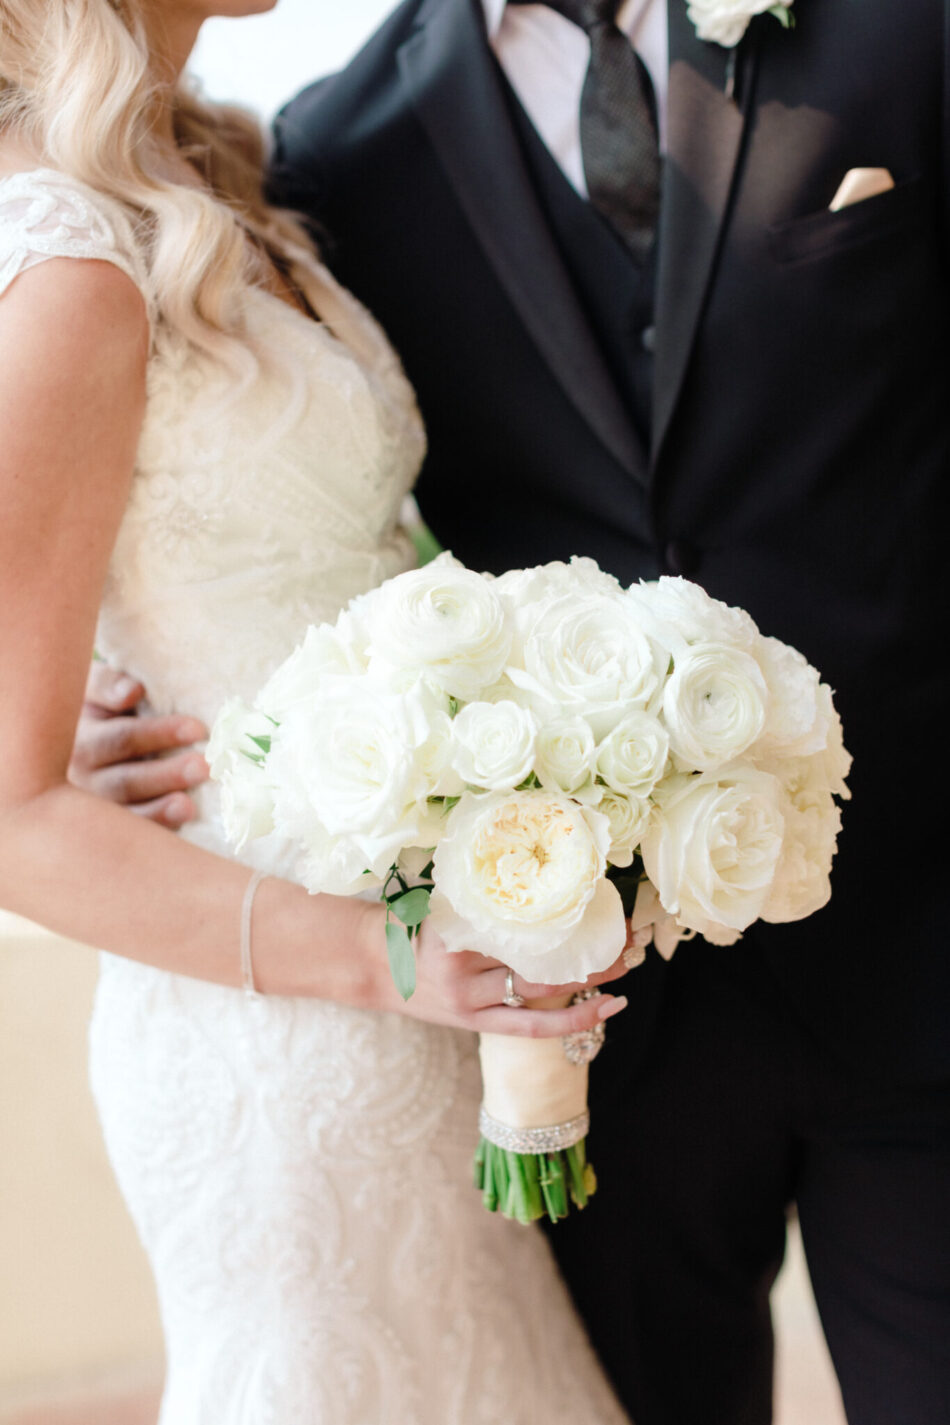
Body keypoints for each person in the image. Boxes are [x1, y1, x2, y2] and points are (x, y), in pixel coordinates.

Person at [74, 0, 950, 1421]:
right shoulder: (337, 144)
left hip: (919, 943)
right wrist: (68, 715)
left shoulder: (895, 33)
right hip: (570, 1013)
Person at [0, 2, 636, 1421]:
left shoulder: (218, 174)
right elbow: (10, 809)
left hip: (427, 976)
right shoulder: (62, 259)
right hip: (277, 1019)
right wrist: (377, 959)